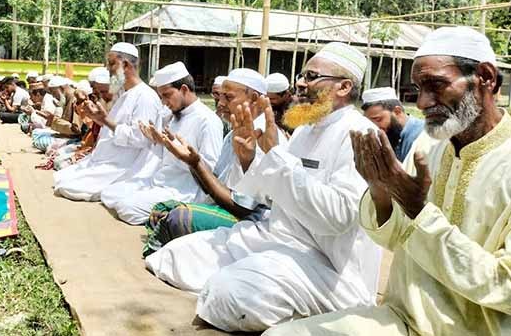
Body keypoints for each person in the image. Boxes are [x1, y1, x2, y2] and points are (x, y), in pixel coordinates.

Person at [266, 27, 511, 336]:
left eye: (436, 85)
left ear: (486, 77)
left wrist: (418, 211)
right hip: (403, 320)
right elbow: (393, 239)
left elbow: (510, 290)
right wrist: (380, 192)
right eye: (418, 88)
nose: (422, 102)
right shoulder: (428, 147)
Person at [145, 42, 383, 332]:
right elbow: (270, 193)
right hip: (280, 240)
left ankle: (320, 316)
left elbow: (336, 218)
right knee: (174, 256)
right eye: (302, 75)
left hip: (330, 268)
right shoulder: (306, 129)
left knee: (227, 294)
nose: (300, 83)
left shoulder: (360, 134)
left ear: (344, 87)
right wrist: (250, 159)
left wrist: (276, 155)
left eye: (310, 77)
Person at [142, 68, 289, 256]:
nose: (220, 104)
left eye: (228, 97)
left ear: (253, 98)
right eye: (220, 97)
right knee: (162, 210)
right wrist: (189, 161)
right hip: (224, 207)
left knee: (179, 218)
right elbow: (216, 183)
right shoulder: (233, 134)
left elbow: (245, 208)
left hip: (252, 221)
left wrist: (195, 164)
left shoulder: (264, 136)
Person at [101, 62, 223, 225]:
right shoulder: (175, 116)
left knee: (126, 208)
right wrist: (157, 142)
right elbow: (165, 158)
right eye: (161, 97)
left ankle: (174, 216)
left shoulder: (208, 120)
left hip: (186, 190)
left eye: (166, 95)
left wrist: (180, 154)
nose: (164, 102)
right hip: (163, 182)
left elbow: (210, 169)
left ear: (184, 89)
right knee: (110, 193)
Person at [53, 42, 164, 201]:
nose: (108, 69)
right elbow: (112, 127)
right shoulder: (125, 94)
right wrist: (98, 119)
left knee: (67, 186)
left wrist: (105, 121)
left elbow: (139, 139)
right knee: (61, 177)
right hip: (108, 159)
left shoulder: (145, 97)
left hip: (125, 165)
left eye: (111, 64)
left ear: (125, 65)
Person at [361, 87, 425, 162]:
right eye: (370, 122)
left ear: (397, 111)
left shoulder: (421, 136)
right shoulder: (390, 133)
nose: (374, 127)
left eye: (378, 119)